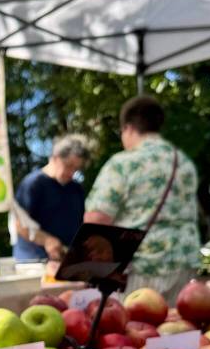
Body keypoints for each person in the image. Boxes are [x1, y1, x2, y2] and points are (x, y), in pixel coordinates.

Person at [84, 96, 201, 301]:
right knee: (174, 329)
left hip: (141, 267)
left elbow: (96, 219)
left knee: (134, 329)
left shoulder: (124, 163)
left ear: (128, 128)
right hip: (184, 262)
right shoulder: (183, 162)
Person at [10, 134, 91, 264]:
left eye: (76, 169)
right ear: (55, 157)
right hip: (34, 263)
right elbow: (20, 225)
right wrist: (46, 240)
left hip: (66, 263)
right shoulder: (33, 184)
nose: (72, 173)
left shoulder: (76, 189)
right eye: (68, 165)